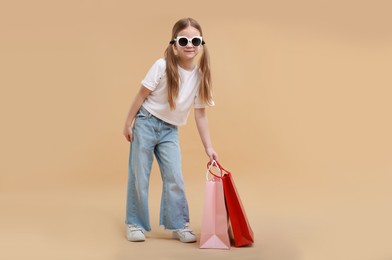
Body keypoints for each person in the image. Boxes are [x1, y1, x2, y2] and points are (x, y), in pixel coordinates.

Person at [122, 18, 218, 243]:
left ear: (201, 43)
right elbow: (141, 95)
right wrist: (128, 123)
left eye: (195, 40)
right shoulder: (162, 66)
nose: (189, 44)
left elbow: (200, 115)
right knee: (139, 175)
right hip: (145, 122)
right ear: (175, 44)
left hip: (169, 131)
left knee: (174, 176)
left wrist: (209, 147)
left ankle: (179, 224)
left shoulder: (200, 77)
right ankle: (135, 223)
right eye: (183, 40)